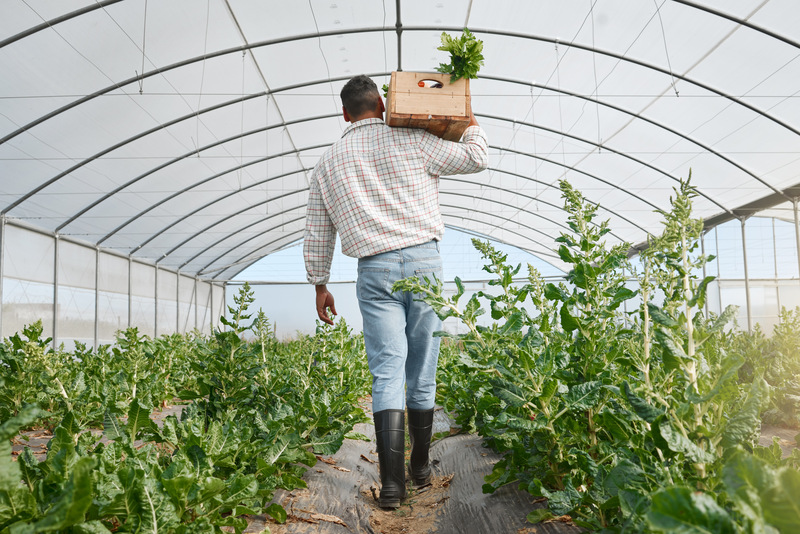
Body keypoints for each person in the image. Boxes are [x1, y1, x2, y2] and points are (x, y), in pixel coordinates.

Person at [303, 74, 488, 508]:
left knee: (386, 371)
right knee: (422, 367)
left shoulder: (327, 163)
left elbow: (317, 231)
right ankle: (420, 468)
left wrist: (320, 284)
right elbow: (476, 157)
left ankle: (391, 486)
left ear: (345, 114)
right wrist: (467, 113)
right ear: (383, 105)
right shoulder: (413, 139)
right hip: (424, 263)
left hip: (374, 270)